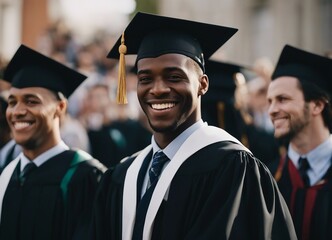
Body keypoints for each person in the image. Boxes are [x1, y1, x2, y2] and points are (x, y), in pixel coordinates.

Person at [90, 12, 297, 240]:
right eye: (145, 79)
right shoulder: (122, 175)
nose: (157, 89)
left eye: (174, 77)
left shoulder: (233, 167)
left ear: (202, 84)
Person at [0, 44, 107, 240]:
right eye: (12, 102)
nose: (17, 111)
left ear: (60, 107)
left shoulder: (84, 176)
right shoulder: (7, 173)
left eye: (31, 101)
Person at [266, 44, 332, 240]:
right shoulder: (266, 178)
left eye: (282, 99)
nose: (272, 110)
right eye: (269, 101)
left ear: (317, 105)